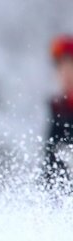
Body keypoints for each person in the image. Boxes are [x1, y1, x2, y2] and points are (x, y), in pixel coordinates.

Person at [42, 34, 73, 198]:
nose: (66, 73)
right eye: (60, 67)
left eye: (71, 66)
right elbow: (50, 164)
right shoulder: (57, 109)